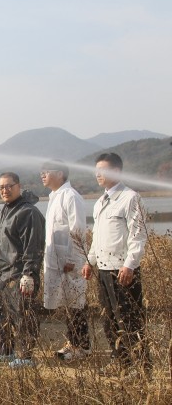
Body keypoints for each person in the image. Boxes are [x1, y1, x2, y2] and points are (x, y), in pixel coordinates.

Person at [82, 153, 151, 378]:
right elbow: (98, 237)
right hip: (103, 269)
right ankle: (120, 361)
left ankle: (141, 367)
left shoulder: (130, 198)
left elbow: (138, 235)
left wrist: (130, 265)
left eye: (104, 170)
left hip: (123, 270)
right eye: (97, 170)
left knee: (130, 318)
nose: (98, 174)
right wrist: (89, 262)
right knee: (109, 318)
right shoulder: (100, 201)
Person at [0, 172, 45, 368]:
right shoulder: (1, 212)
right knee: (3, 314)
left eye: (9, 186)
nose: (5, 190)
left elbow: (33, 245)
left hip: (19, 274)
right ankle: (5, 350)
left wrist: (29, 272)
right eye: (1, 187)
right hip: (2, 272)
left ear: (19, 186)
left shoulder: (28, 212)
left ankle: (26, 356)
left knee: (23, 315)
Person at [40, 160, 90, 361]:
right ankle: (74, 342)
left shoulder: (71, 196)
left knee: (75, 304)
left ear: (60, 173)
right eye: (41, 172)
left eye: (46, 172)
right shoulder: (54, 197)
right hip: (58, 261)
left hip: (70, 261)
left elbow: (77, 229)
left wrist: (72, 259)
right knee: (68, 304)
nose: (42, 175)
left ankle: (82, 346)